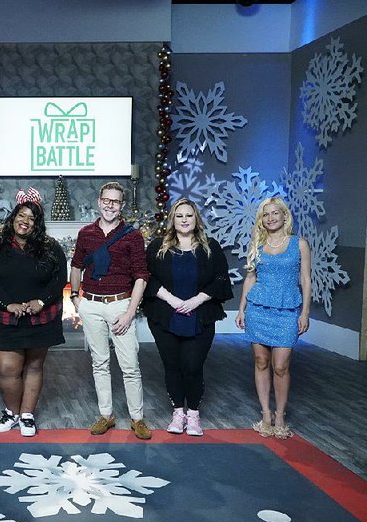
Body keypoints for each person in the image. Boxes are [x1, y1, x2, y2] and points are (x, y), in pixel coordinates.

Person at [142, 199, 233, 436]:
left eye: (189, 216)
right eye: (179, 215)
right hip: (165, 315)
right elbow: (146, 278)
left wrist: (196, 300)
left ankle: (193, 414)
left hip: (200, 315)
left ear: (196, 219)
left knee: (192, 366)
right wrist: (173, 300)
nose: (184, 220)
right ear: (172, 219)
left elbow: (222, 279)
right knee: (172, 366)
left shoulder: (210, 247)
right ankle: (177, 412)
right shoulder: (157, 247)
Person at [70, 181, 152, 440]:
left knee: (130, 366)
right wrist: (75, 298)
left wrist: (129, 312)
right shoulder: (86, 233)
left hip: (120, 304)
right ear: (99, 201)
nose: (110, 205)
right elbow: (76, 266)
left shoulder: (132, 236)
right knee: (100, 363)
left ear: (122, 205)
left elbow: (141, 275)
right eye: (106, 200)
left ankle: (137, 419)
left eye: (115, 201)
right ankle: (106, 415)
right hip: (91, 304)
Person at [0, 194, 67, 437]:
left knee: (34, 366)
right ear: (14, 217)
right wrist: (7, 304)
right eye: (22, 215)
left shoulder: (50, 247)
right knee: (8, 368)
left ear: (37, 224)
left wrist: (41, 301)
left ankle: (27, 415)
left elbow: (60, 278)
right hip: (6, 317)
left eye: (32, 218)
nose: (25, 222)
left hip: (42, 317)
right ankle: (12, 413)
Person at [236, 197, 311, 439]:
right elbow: (250, 278)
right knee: (260, 361)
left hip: (287, 310)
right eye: (266, 214)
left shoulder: (299, 244)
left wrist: (306, 312)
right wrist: (241, 309)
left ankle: (280, 415)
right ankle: (266, 415)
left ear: (284, 216)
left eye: (275, 213)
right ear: (261, 219)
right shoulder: (257, 244)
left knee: (280, 365)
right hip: (258, 308)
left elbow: (306, 280)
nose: (270, 218)